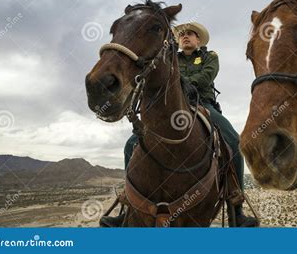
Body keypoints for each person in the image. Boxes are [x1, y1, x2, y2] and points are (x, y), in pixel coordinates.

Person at [104, 22, 258, 227]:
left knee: (233, 140)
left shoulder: (209, 57)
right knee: (131, 144)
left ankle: (236, 208)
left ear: (198, 40)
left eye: (191, 34)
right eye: (182, 34)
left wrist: (176, 84)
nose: (185, 37)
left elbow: (205, 78)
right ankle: (127, 204)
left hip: (202, 104)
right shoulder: (170, 58)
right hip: (170, 108)